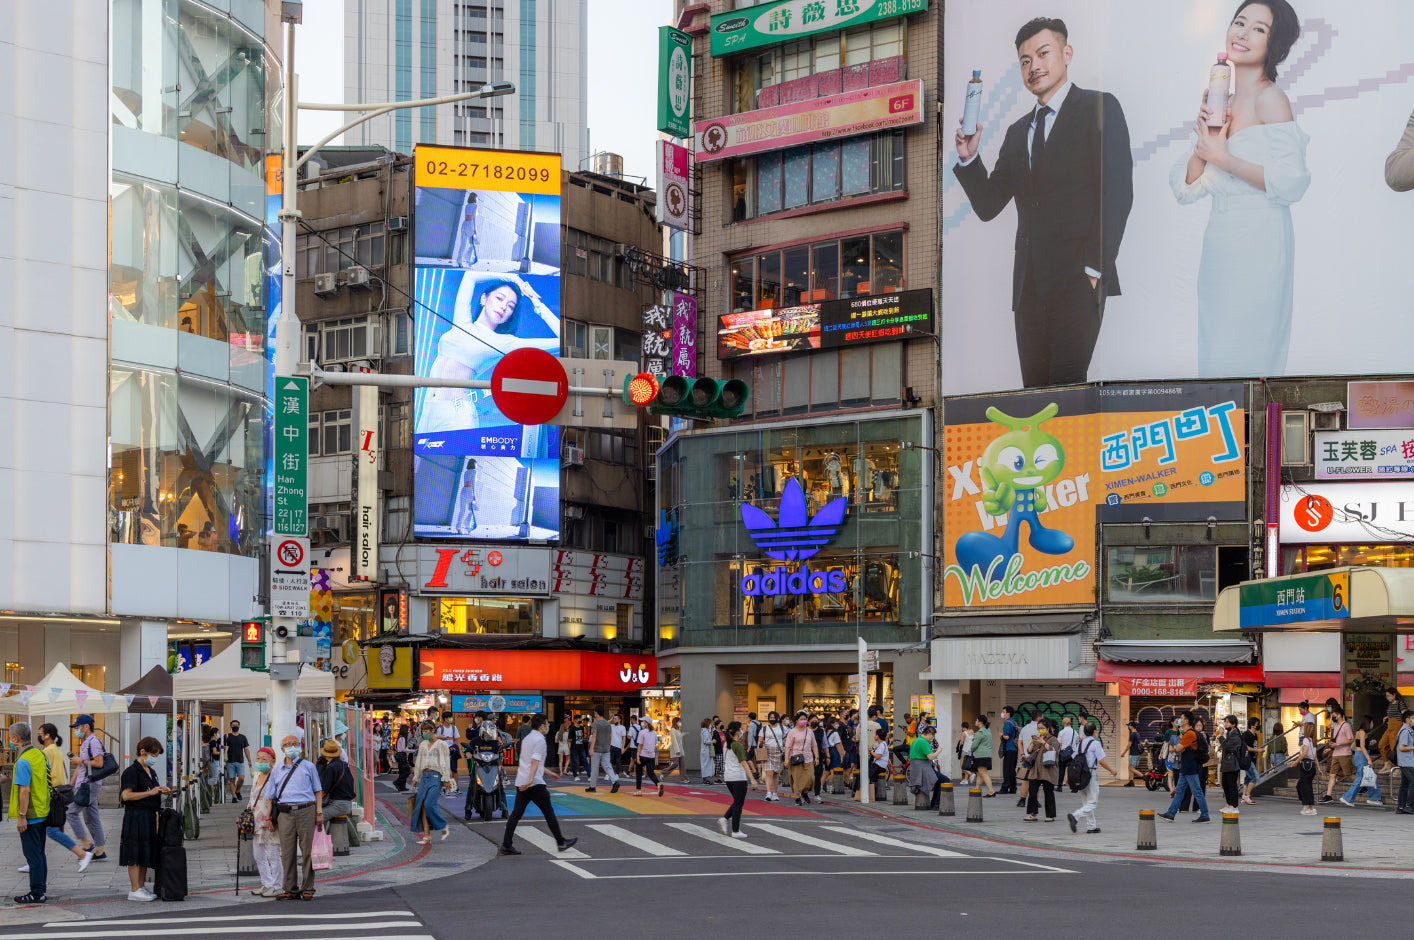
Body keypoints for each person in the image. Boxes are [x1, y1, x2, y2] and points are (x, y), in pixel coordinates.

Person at [953, 15, 1133, 387]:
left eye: (1042, 53)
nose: (1034, 65)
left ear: (1066, 54)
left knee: (1066, 390)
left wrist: (1093, 270)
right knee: (1035, 397)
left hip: (1079, 281)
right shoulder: (1018, 133)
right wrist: (970, 159)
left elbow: (1118, 193)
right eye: (1024, 60)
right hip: (1029, 290)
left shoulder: (1100, 108)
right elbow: (989, 206)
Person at [1172, 0, 1308, 376]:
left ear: (1274, 44)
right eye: (1240, 22)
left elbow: (1292, 181)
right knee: (1217, 356)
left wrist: (1222, 157)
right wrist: (1208, 137)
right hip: (1221, 242)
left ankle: (1258, 433)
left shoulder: (1272, 99)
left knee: (1252, 357)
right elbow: (1186, 190)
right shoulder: (1222, 101)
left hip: (1261, 241)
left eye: (1259, 29)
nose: (1243, 34)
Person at [420, 274, 560, 435]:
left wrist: (537, 303)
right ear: (484, 299)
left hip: (456, 415)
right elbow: (469, 276)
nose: (503, 307)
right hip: (428, 410)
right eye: (499, 298)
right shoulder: (461, 323)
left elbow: (561, 341)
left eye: (510, 306)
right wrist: (514, 278)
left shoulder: (505, 342)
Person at [499, 714, 577, 855]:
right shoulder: (540, 740)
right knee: (548, 812)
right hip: (533, 783)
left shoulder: (528, 738)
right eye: (546, 724)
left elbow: (533, 761)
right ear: (541, 726)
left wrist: (547, 773)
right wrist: (531, 780)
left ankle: (506, 844)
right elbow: (534, 762)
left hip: (522, 781)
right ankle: (561, 842)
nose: (547, 727)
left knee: (516, 814)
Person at [266, 733, 324, 900]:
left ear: (300, 746)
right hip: (285, 813)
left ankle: (307, 888)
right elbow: (271, 797)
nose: (292, 746)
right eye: (288, 744)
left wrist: (319, 812)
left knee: (307, 851)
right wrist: (269, 817)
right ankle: (289, 888)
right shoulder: (276, 769)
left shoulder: (309, 766)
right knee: (287, 852)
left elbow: (318, 791)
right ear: (283, 748)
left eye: (295, 743)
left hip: (306, 810)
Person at [35, 724, 93, 872]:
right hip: (58, 794)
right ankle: (33, 860)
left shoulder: (47, 752)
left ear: (47, 735)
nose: (39, 735)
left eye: (40, 733)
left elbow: (44, 775)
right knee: (40, 829)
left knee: (51, 831)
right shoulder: (56, 749)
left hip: (50, 795)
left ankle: (82, 854)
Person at [119, 736, 170, 902]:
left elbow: (151, 790)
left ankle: (141, 886)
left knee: (144, 852)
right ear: (143, 752)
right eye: (153, 755)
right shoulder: (131, 772)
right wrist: (150, 793)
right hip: (136, 816)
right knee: (134, 852)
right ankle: (134, 889)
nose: (154, 759)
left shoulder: (151, 771)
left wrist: (159, 790)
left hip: (148, 816)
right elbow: (126, 796)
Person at [9, 722, 52, 904]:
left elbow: (24, 790)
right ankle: (41, 889)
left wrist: (21, 816)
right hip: (43, 811)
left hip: (31, 816)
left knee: (32, 855)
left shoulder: (23, 761)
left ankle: (36, 892)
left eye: (10, 737)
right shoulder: (41, 755)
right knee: (39, 854)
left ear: (15, 739)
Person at [67, 714, 108, 863]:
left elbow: (99, 763)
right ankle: (100, 850)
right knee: (91, 818)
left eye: (77, 727)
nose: (76, 730)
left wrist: (80, 760)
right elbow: (80, 766)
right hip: (84, 785)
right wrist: (71, 784)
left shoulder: (94, 742)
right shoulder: (85, 742)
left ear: (86, 727)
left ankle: (86, 844)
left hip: (89, 785)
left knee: (71, 813)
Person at [1159, 712, 1211, 824]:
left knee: (1197, 791)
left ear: (1186, 721)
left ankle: (1205, 815)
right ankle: (1170, 813)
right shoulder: (1187, 733)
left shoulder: (1190, 734)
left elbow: (1178, 748)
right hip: (1186, 767)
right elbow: (1181, 748)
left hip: (1190, 767)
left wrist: (1181, 740)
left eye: (1181, 718)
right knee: (1179, 791)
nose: (1179, 720)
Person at [247, 746, 282, 897]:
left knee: (273, 854)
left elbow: (273, 800)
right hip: (255, 821)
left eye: (264, 759)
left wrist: (270, 818)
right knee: (258, 855)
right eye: (258, 758)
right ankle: (266, 883)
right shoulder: (256, 775)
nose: (260, 762)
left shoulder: (275, 776)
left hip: (269, 821)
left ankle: (277, 885)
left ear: (272, 761)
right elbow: (252, 798)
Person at [1067, 721, 1114, 834]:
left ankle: (1091, 827)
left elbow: (1072, 759)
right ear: (1094, 731)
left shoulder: (1080, 744)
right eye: (1096, 730)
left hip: (1079, 775)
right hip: (1090, 773)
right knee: (1092, 802)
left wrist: (1066, 776)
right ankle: (1075, 816)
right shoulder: (1095, 743)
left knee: (1086, 802)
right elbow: (1101, 761)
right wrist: (1112, 770)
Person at [410, 721, 450, 844]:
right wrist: (415, 778)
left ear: (433, 730)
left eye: (427, 730)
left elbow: (445, 762)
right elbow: (419, 762)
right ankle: (427, 835)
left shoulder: (442, 744)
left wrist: (446, 779)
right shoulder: (422, 745)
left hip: (436, 776)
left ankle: (442, 825)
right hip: (424, 777)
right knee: (421, 806)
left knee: (428, 804)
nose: (424, 733)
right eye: (423, 730)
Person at [1339, 716, 1383, 807]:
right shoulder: (1362, 732)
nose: (1372, 725)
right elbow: (1362, 747)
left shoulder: (1359, 732)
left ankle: (1373, 798)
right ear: (1368, 723)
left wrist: (1369, 743)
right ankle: (1348, 797)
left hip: (1359, 755)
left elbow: (1360, 745)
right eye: (1371, 722)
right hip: (1362, 756)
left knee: (1368, 777)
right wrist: (1369, 759)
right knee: (1362, 778)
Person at [717, 722, 750, 839]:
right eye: (740, 729)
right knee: (738, 804)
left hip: (728, 778)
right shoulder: (737, 745)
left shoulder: (726, 744)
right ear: (736, 731)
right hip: (739, 777)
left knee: (737, 802)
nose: (741, 731)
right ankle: (735, 830)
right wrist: (752, 778)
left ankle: (725, 819)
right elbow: (744, 762)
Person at [1024, 719, 1060, 822]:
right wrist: (1032, 742)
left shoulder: (1052, 739)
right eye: (1039, 729)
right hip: (1036, 770)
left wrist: (1043, 742)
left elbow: (1054, 750)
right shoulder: (1038, 738)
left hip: (1047, 770)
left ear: (1048, 728)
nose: (1040, 730)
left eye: (1042, 728)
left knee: (1049, 793)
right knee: (1032, 792)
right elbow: (1029, 751)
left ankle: (1050, 815)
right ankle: (1032, 814)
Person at [317, 740, 357, 830]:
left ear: (325, 755)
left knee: (311, 818)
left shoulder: (330, 768)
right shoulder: (344, 765)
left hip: (338, 805)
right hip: (347, 803)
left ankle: (318, 842)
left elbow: (323, 791)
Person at [1321, 706, 1355, 804]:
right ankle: (1328, 796)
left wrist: (1338, 745)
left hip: (1345, 754)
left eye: (1333, 715)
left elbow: (1351, 740)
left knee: (1349, 775)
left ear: (1339, 715)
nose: (1332, 717)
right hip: (1335, 754)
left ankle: (1361, 785)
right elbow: (1336, 741)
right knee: (1332, 775)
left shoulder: (1346, 726)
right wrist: (1329, 748)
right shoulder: (1336, 727)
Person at [784, 716, 819, 807]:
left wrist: (816, 757)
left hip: (808, 758)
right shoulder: (792, 732)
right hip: (796, 758)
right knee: (797, 778)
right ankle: (797, 797)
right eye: (801, 719)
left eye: (805, 719)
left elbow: (814, 745)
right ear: (797, 721)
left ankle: (804, 792)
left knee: (811, 777)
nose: (803, 721)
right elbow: (787, 746)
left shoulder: (810, 731)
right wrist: (786, 759)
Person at [585, 707, 620, 794]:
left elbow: (594, 736)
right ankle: (614, 781)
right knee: (608, 766)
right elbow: (610, 736)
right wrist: (608, 746)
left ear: (596, 713)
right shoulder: (608, 724)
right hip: (606, 749)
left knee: (595, 768)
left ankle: (592, 786)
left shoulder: (596, 723)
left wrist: (591, 749)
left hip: (596, 749)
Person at [1219, 714, 1245, 812]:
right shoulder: (1230, 733)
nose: (1226, 724)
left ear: (1233, 724)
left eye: (1228, 722)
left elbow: (1228, 747)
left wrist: (1221, 736)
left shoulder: (1236, 735)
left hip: (1232, 763)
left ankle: (1234, 806)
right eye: (1225, 722)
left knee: (1231, 784)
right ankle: (1229, 804)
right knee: (1225, 783)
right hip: (1227, 762)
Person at [634, 719, 664, 797]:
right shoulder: (654, 733)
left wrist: (637, 757)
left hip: (643, 754)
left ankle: (638, 790)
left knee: (639, 773)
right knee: (651, 772)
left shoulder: (642, 732)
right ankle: (658, 784)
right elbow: (655, 744)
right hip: (651, 755)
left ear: (647, 723)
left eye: (643, 721)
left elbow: (639, 745)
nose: (642, 723)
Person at [1016, 711, 1040, 808]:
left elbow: (1019, 743)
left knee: (1026, 780)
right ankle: (1035, 801)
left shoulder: (1024, 728)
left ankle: (1022, 800)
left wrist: (1022, 754)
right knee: (1036, 780)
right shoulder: (1041, 728)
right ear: (1039, 718)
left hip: (1026, 758)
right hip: (1037, 758)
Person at [1294, 721, 1319, 815]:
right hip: (1311, 766)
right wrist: (1318, 768)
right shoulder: (1313, 741)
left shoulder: (1306, 740)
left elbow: (1304, 753)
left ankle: (1309, 807)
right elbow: (1315, 756)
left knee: (1305, 787)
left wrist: (1296, 762)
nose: (1302, 730)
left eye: (1303, 728)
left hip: (1306, 765)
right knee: (1302, 785)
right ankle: (1307, 805)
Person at [225, 720, 252, 802]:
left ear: (239, 726)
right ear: (230, 726)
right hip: (230, 761)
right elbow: (222, 747)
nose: (235, 726)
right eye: (233, 725)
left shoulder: (243, 737)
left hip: (240, 761)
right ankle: (234, 797)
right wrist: (222, 755)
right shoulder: (227, 736)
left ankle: (237, 791)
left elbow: (246, 749)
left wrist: (249, 761)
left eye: (237, 725)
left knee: (241, 778)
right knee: (232, 780)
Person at [760, 712, 785, 801]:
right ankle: (768, 793)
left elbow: (786, 738)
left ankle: (775, 793)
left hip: (778, 752)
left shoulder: (782, 728)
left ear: (778, 718)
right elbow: (760, 740)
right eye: (770, 717)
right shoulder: (764, 728)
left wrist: (785, 746)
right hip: (767, 752)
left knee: (775, 773)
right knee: (769, 772)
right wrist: (761, 743)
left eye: (774, 717)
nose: (772, 719)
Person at [970, 715, 996, 796]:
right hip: (987, 754)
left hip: (980, 755)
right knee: (979, 773)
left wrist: (971, 750)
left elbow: (974, 745)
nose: (975, 721)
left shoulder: (980, 732)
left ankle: (991, 791)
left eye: (976, 720)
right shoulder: (988, 731)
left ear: (980, 722)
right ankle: (977, 789)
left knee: (983, 773)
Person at [1241, 717, 1262, 804]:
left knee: (1248, 777)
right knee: (1255, 777)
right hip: (1247, 759)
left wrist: (1257, 750)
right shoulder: (1246, 734)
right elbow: (1246, 747)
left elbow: (1254, 746)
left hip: (1253, 758)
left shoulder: (1255, 735)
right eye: (1257, 724)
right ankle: (1247, 795)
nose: (1258, 726)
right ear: (1252, 725)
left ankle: (1244, 796)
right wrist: (1257, 750)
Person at [1397, 709, 1414, 814]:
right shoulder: (1405, 731)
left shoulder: (1408, 730)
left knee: (1404, 784)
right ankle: (1409, 805)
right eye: (1413, 718)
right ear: (1407, 719)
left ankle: (1401, 806)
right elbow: (1401, 748)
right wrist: (1413, 747)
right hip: (1407, 762)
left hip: (1406, 762)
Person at [1055, 715, 1078, 792]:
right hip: (1073, 754)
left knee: (1061, 770)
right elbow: (1077, 743)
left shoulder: (1061, 732)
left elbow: (1059, 744)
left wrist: (1057, 754)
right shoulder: (1075, 732)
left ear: (1063, 724)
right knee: (1072, 771)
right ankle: (1074, 788)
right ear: (1070, 723)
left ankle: (1059, 787)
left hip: (1063, 754)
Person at [999, 706, 1019, 795]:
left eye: (1003, 712)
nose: (1002, 713)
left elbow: (1006, 737)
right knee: (1012, 769)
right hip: (1014, 748)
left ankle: (1005, 787)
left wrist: (1001, 735)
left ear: (1008, 713)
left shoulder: (1007, 723)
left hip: (1009, 748)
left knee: (1007, 769)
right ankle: (1013, 787)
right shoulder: (1013, 722)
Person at [1121, 720, 1142, 787]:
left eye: (1129, 725)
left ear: (1132, 726)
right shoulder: (1137, 734)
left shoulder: (1132, 734)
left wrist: (1124, 753)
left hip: (1133, 753)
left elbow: (1129, 745)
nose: (1128, 727)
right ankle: (1131, 781)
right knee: (1130, 767)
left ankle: (1144, 777)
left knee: (1131, 768)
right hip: (1137, 753)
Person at [609, 712, 627, 776]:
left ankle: (617, 774)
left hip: (619, 746)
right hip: (612, 746)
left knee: (618, 761)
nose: (614, 720)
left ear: (620, 720)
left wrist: (623, 747)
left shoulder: (622, 727)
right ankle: (609, 774)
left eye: (616, 719)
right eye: (614, 719)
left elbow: (624, 738)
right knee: (610, 761)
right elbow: (606, 724)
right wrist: (611, 719)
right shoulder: (612, 726)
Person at [698, 718, 715, 785]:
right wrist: (712, 741)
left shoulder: (706, 731)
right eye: (710, 723)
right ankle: (705, 778)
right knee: (705, 764)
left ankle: (706, 778)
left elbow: (711, 735)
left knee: (707, 764)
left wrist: (711, 729)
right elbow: (706, 741)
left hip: (706, 750)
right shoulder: (704, 732)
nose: (711, 725)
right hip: (705, 750)